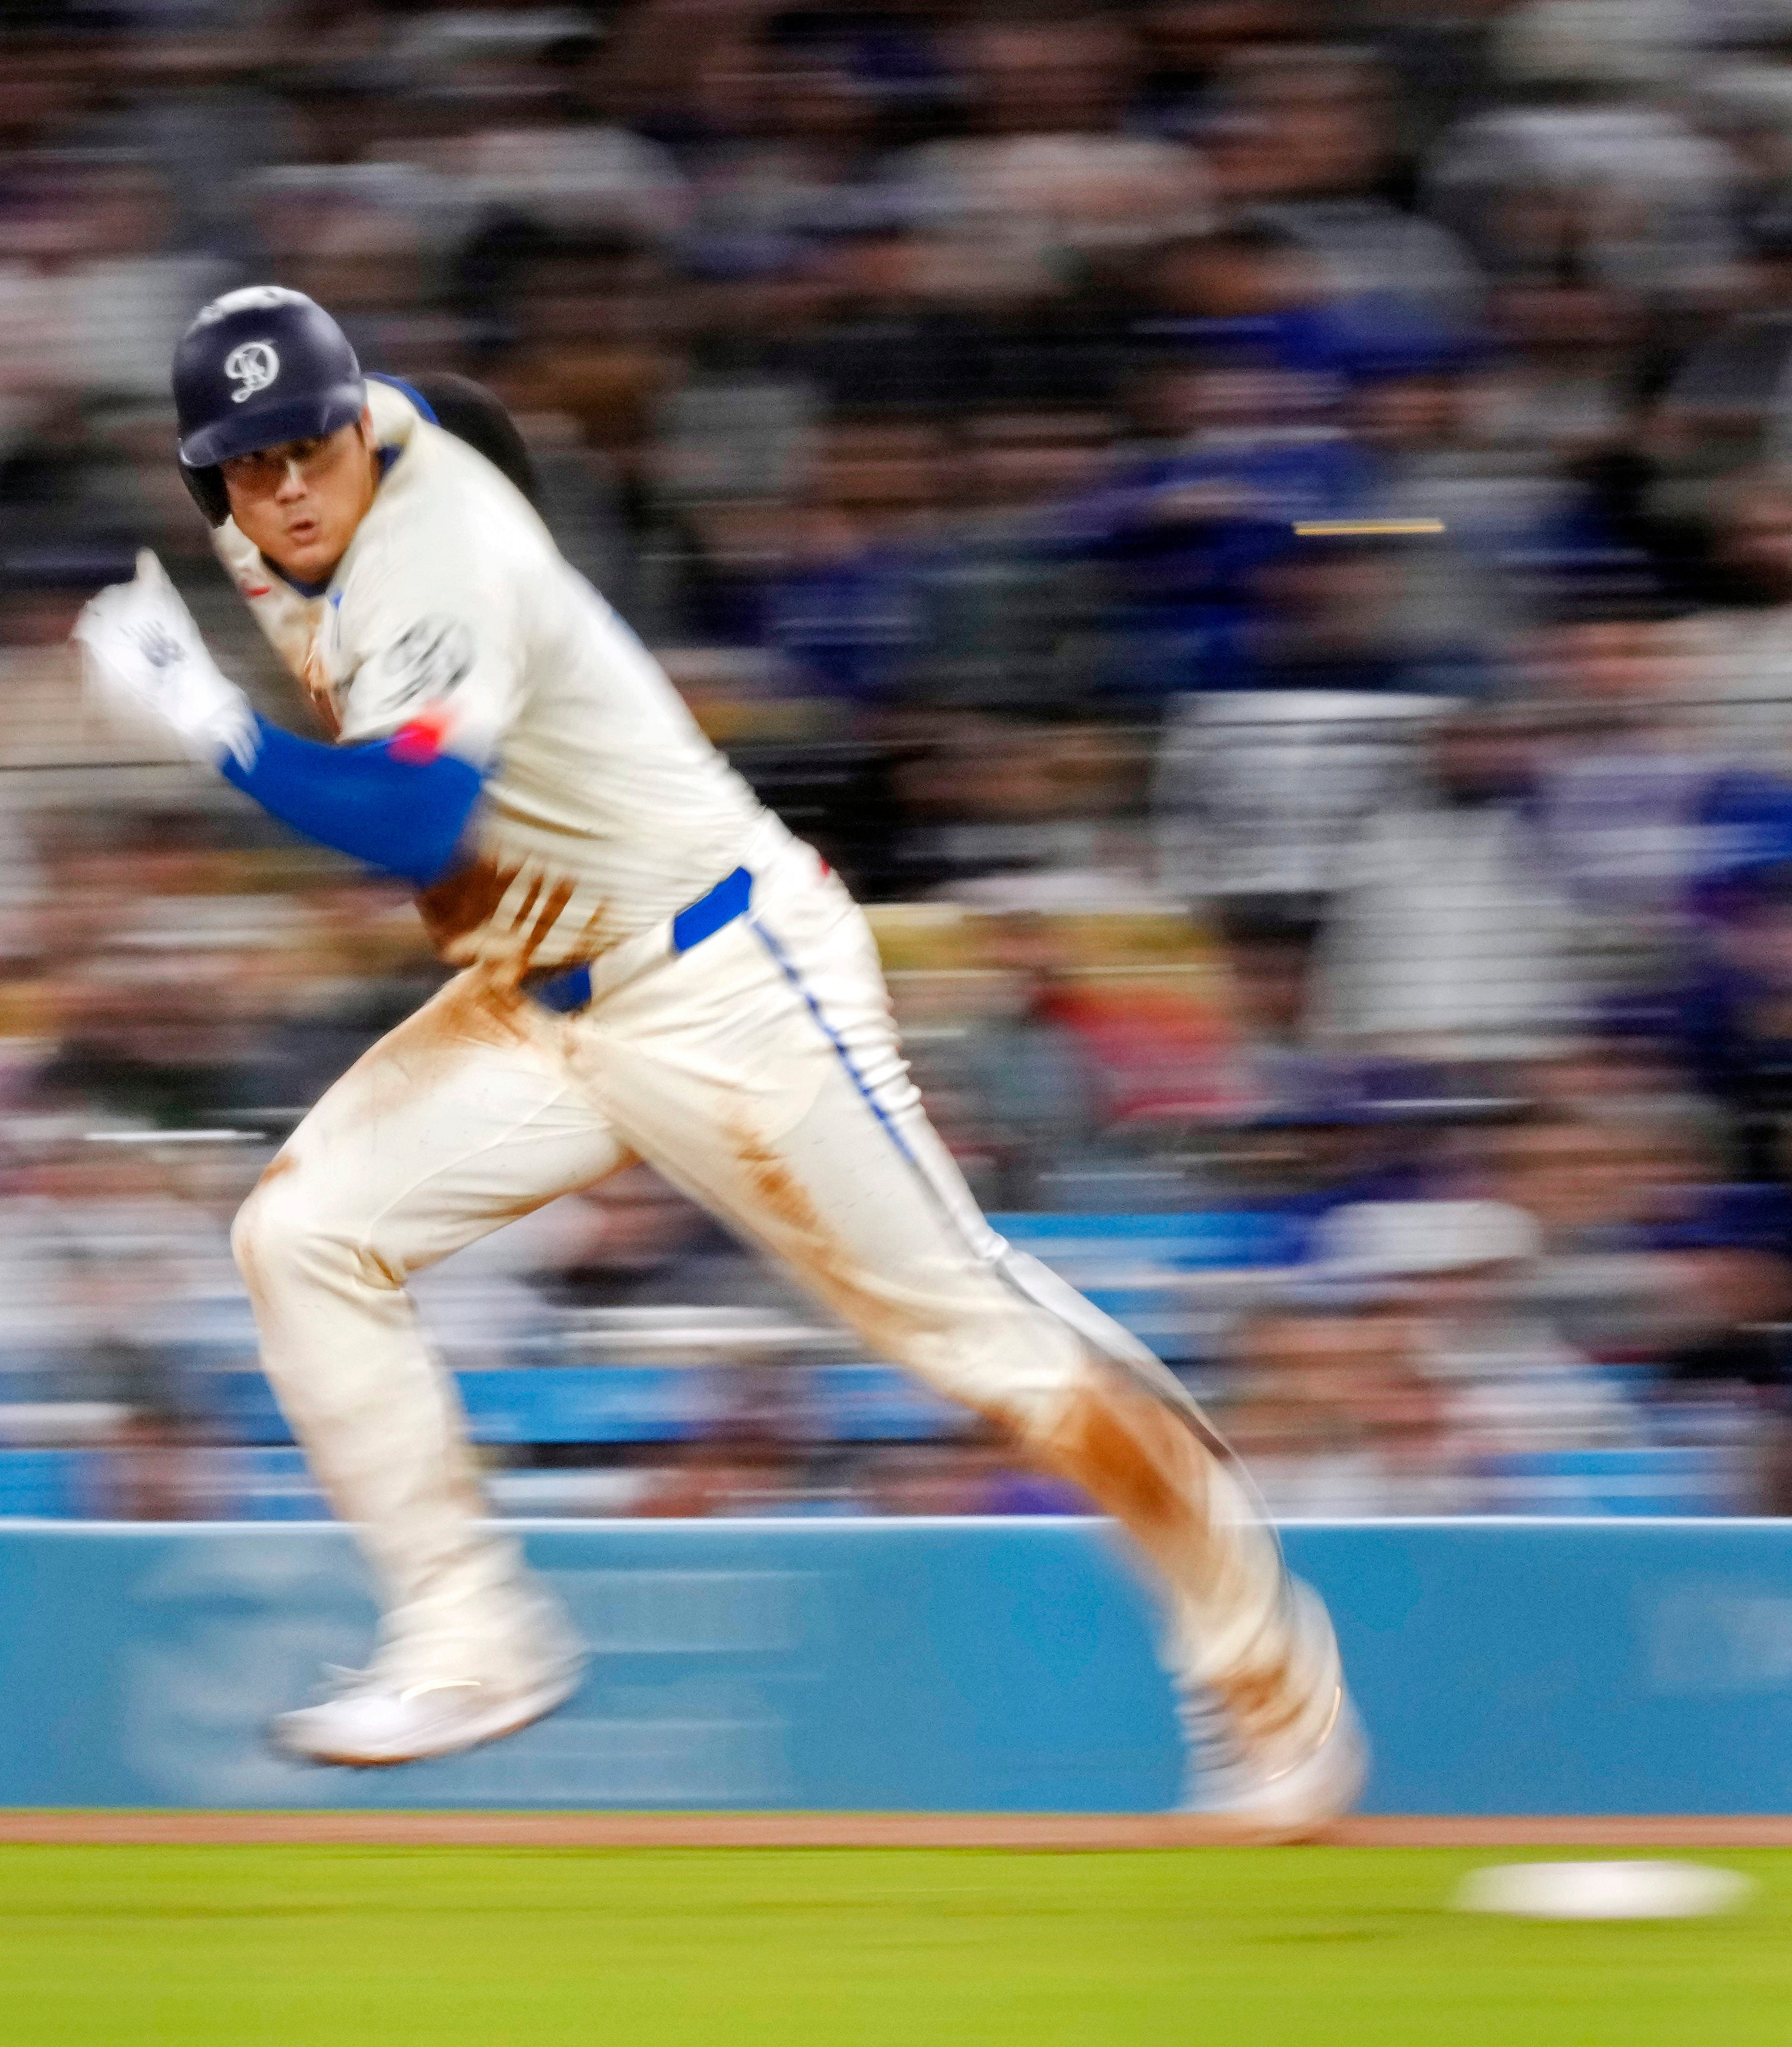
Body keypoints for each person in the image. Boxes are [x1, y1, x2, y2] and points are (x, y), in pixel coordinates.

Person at [72, 286, 1364, 1832]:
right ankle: (469, 1641)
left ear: (354, 429)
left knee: (981, 1343)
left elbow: (412, 822)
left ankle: (1273, 1693)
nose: (286, 481)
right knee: (300, 1232)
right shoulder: (300, 489)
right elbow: (433, 399)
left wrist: (207, 719)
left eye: (310, 440)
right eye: (248, 458)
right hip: (536, 1002)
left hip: (720, 978)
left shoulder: (440, 547)